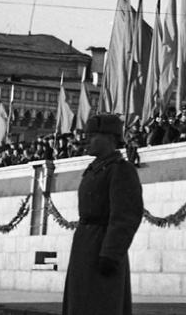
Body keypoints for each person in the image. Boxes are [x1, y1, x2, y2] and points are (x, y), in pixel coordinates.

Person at [62, 114, 143, 315]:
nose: (85, 140)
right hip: (84, 245)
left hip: (101, 247)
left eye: (92, 135)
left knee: (101, 305)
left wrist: (111, 254)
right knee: (80, 305)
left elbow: (125, 217)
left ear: (109, 138)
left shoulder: (120, 170)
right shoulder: (93, 170)